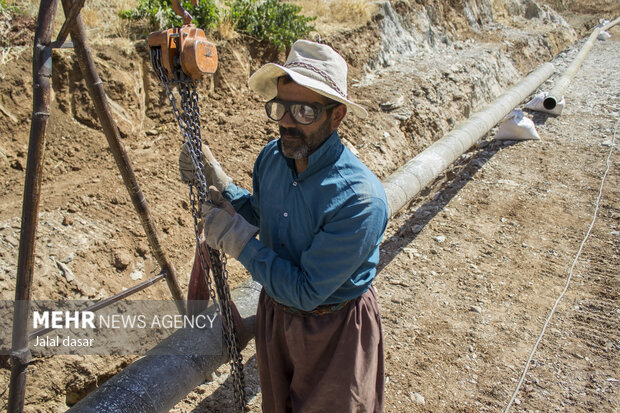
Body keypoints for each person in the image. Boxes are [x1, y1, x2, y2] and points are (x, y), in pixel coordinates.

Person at [179, 39, 389, 413]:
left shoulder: (359, 200)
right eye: (281, 108)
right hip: (276, 317)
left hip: (334, 329)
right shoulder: (272, 160)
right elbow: (266, 214)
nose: (288, 123)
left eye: (305, 111)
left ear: (336, 115)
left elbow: (307, 292)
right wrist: (224, 187)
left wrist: (236, 239)